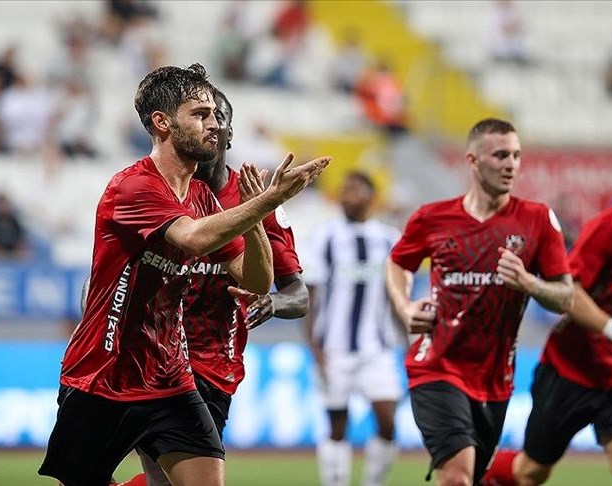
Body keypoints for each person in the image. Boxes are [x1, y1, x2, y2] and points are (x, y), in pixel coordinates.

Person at [38, 63, 329, 486]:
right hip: (104, 372)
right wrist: (265, 202)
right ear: (162, 123)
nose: (215, 125)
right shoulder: (133, 187)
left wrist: (258, 212)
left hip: (171, 377)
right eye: (200, 114)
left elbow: (254, 282)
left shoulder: (203, 198)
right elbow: (191, 240)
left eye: (216, 115)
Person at [120, 88, 310, 486]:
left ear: (228, 134)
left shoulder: (257, 198)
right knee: (164, 475)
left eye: (214, 119)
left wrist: (272, 302)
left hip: (212, 363)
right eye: (196, 117)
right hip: (153, 354)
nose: (206, 126)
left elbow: (298, 294)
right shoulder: (154, 190)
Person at [483, 144, 612, 486]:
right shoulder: (609, 229)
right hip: (571, 370)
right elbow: (569, 294)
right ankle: (477, 473)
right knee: (529, 473)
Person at [385, 118, 573, 485]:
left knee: (474, 476)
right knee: (457, 475)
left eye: (517, 156)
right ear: (472, 161)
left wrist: (529, 283)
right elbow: (397, 262)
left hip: (494, 379)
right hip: (436, 366)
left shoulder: (536, 220)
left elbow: (565, 296)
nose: (511, 164)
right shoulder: (432, 218)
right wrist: (404, 306)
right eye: (501, 155)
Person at [302, 171, 404, 486]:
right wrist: (315, 348)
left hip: (377, 348)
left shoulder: (389, 238)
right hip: (334, 348)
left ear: (371, 196)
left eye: (355, 188)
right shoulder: (324, 237)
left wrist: (411, 340)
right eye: (344, 189)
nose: (347, 194)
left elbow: (396, 294)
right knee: (337, 426)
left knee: (388, 422)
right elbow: (310, 297)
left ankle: (373, 482)